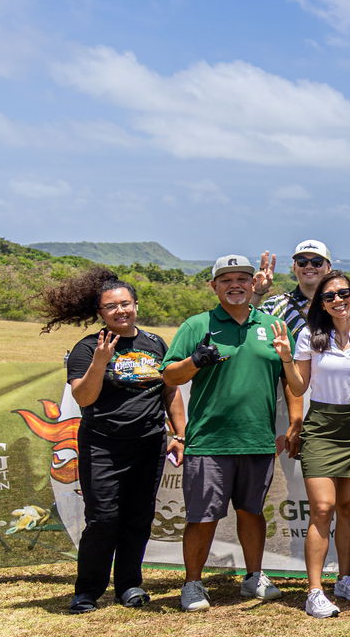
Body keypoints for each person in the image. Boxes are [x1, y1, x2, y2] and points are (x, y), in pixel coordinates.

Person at [45, 268, 185, 613]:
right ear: (101, 313)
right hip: (103, 445)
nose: (120, 311)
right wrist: (100, 363)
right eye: (111, 307)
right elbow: (84, 398)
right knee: (103, 519)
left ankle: (129, 585)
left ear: (135, 305)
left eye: (126, 304)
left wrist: (179, 433)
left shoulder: (155, 344)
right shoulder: (89, 347)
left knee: (138, 517)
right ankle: (87, 591)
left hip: (149, 443)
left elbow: (170, 390)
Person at [161, 255, 297, 611]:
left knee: (252, 512)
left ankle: (254, 577)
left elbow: (291, 383)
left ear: (254, 284)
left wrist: (295, 423)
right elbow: (169, 377)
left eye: (242, 279)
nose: (235, 285)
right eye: (226, 280)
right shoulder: (197, 325)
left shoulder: (274, 326)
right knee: (202, 516)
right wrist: (195, 361)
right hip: (210, 440)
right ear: (214, 286)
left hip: (256, 438)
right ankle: (192, 584)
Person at [283, 271, 350, 618]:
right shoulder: (310, 335)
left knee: (347, 508)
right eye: (329, 297)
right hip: (322, 426)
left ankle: (345, 578)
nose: (337, 300)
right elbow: (298, 387)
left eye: (343, 293)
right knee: (323, 509)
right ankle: (314, 590)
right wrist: (285, 358)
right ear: (321, 304)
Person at [252, 239, 350, 339]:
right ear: (294, 267)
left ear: (328, 267)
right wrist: (257, 293)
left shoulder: (346, 304)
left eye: (317, 262)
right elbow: (246, 322)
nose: (309, 266)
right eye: (302, 262)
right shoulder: (276, 305)